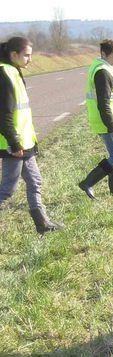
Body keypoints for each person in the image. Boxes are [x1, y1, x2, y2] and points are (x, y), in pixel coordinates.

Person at [0, 36, 63, 233]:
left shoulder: (13, 71)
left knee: (35, 181)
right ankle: (43, 223)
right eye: (26, 55)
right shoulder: (5, 74)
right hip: (14, 145)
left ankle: (43, 224)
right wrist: (15, 143)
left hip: (24, 143)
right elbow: (4, 115)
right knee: (8, 190)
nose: (30, 59)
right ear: (14, 55)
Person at [79, 38, 113, 199]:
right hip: (106, 121)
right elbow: (103, 104)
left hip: (108, 120)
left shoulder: (103, 67)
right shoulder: (102, 72)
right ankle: (88, 183)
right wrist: (111, 126)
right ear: (103, 54)